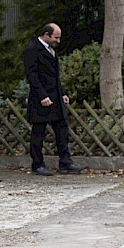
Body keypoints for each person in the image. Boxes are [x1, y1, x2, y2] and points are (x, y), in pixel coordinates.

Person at [23, 23, 82, 176]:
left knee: (62, 130)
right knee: (39, 132)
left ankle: (65, 162)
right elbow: (32, 76)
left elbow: (55, 76)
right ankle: (37, 164)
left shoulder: (52, 51)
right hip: (40, 98)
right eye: (56, 37)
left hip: (56, 97)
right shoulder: (32, 50)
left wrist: (62, 93)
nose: (58, 41)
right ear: (46, 35)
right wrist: (42, 96)